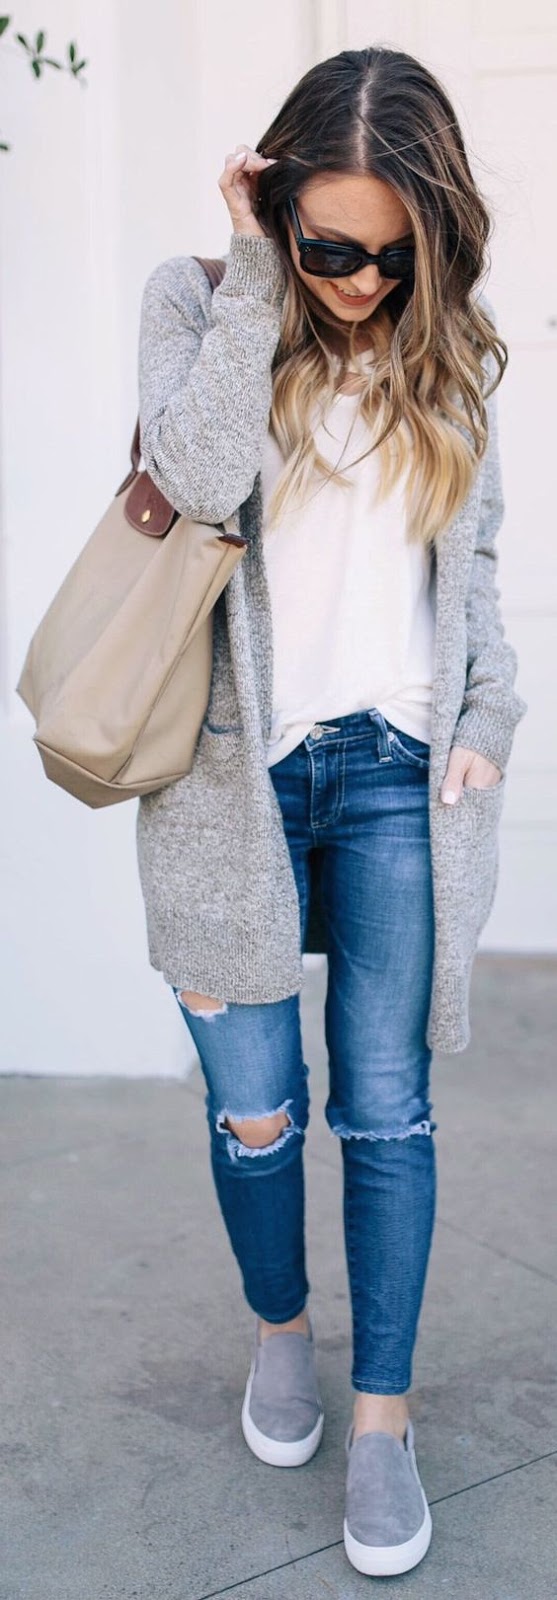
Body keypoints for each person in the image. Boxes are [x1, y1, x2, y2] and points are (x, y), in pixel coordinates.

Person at [135, 46, 527, 1578]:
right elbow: (191, 467)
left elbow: (473, 571)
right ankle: (281, 1333)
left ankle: (381, 1415)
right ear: (279, 206)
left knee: (385, 1110)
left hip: (391, 777)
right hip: (227, 771)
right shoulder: (201, 298)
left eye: (390, 249)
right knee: (253, 1112)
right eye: (328, 246)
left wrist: (487, 716)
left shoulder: (449, 352)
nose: (358, 279)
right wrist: (252, 275)